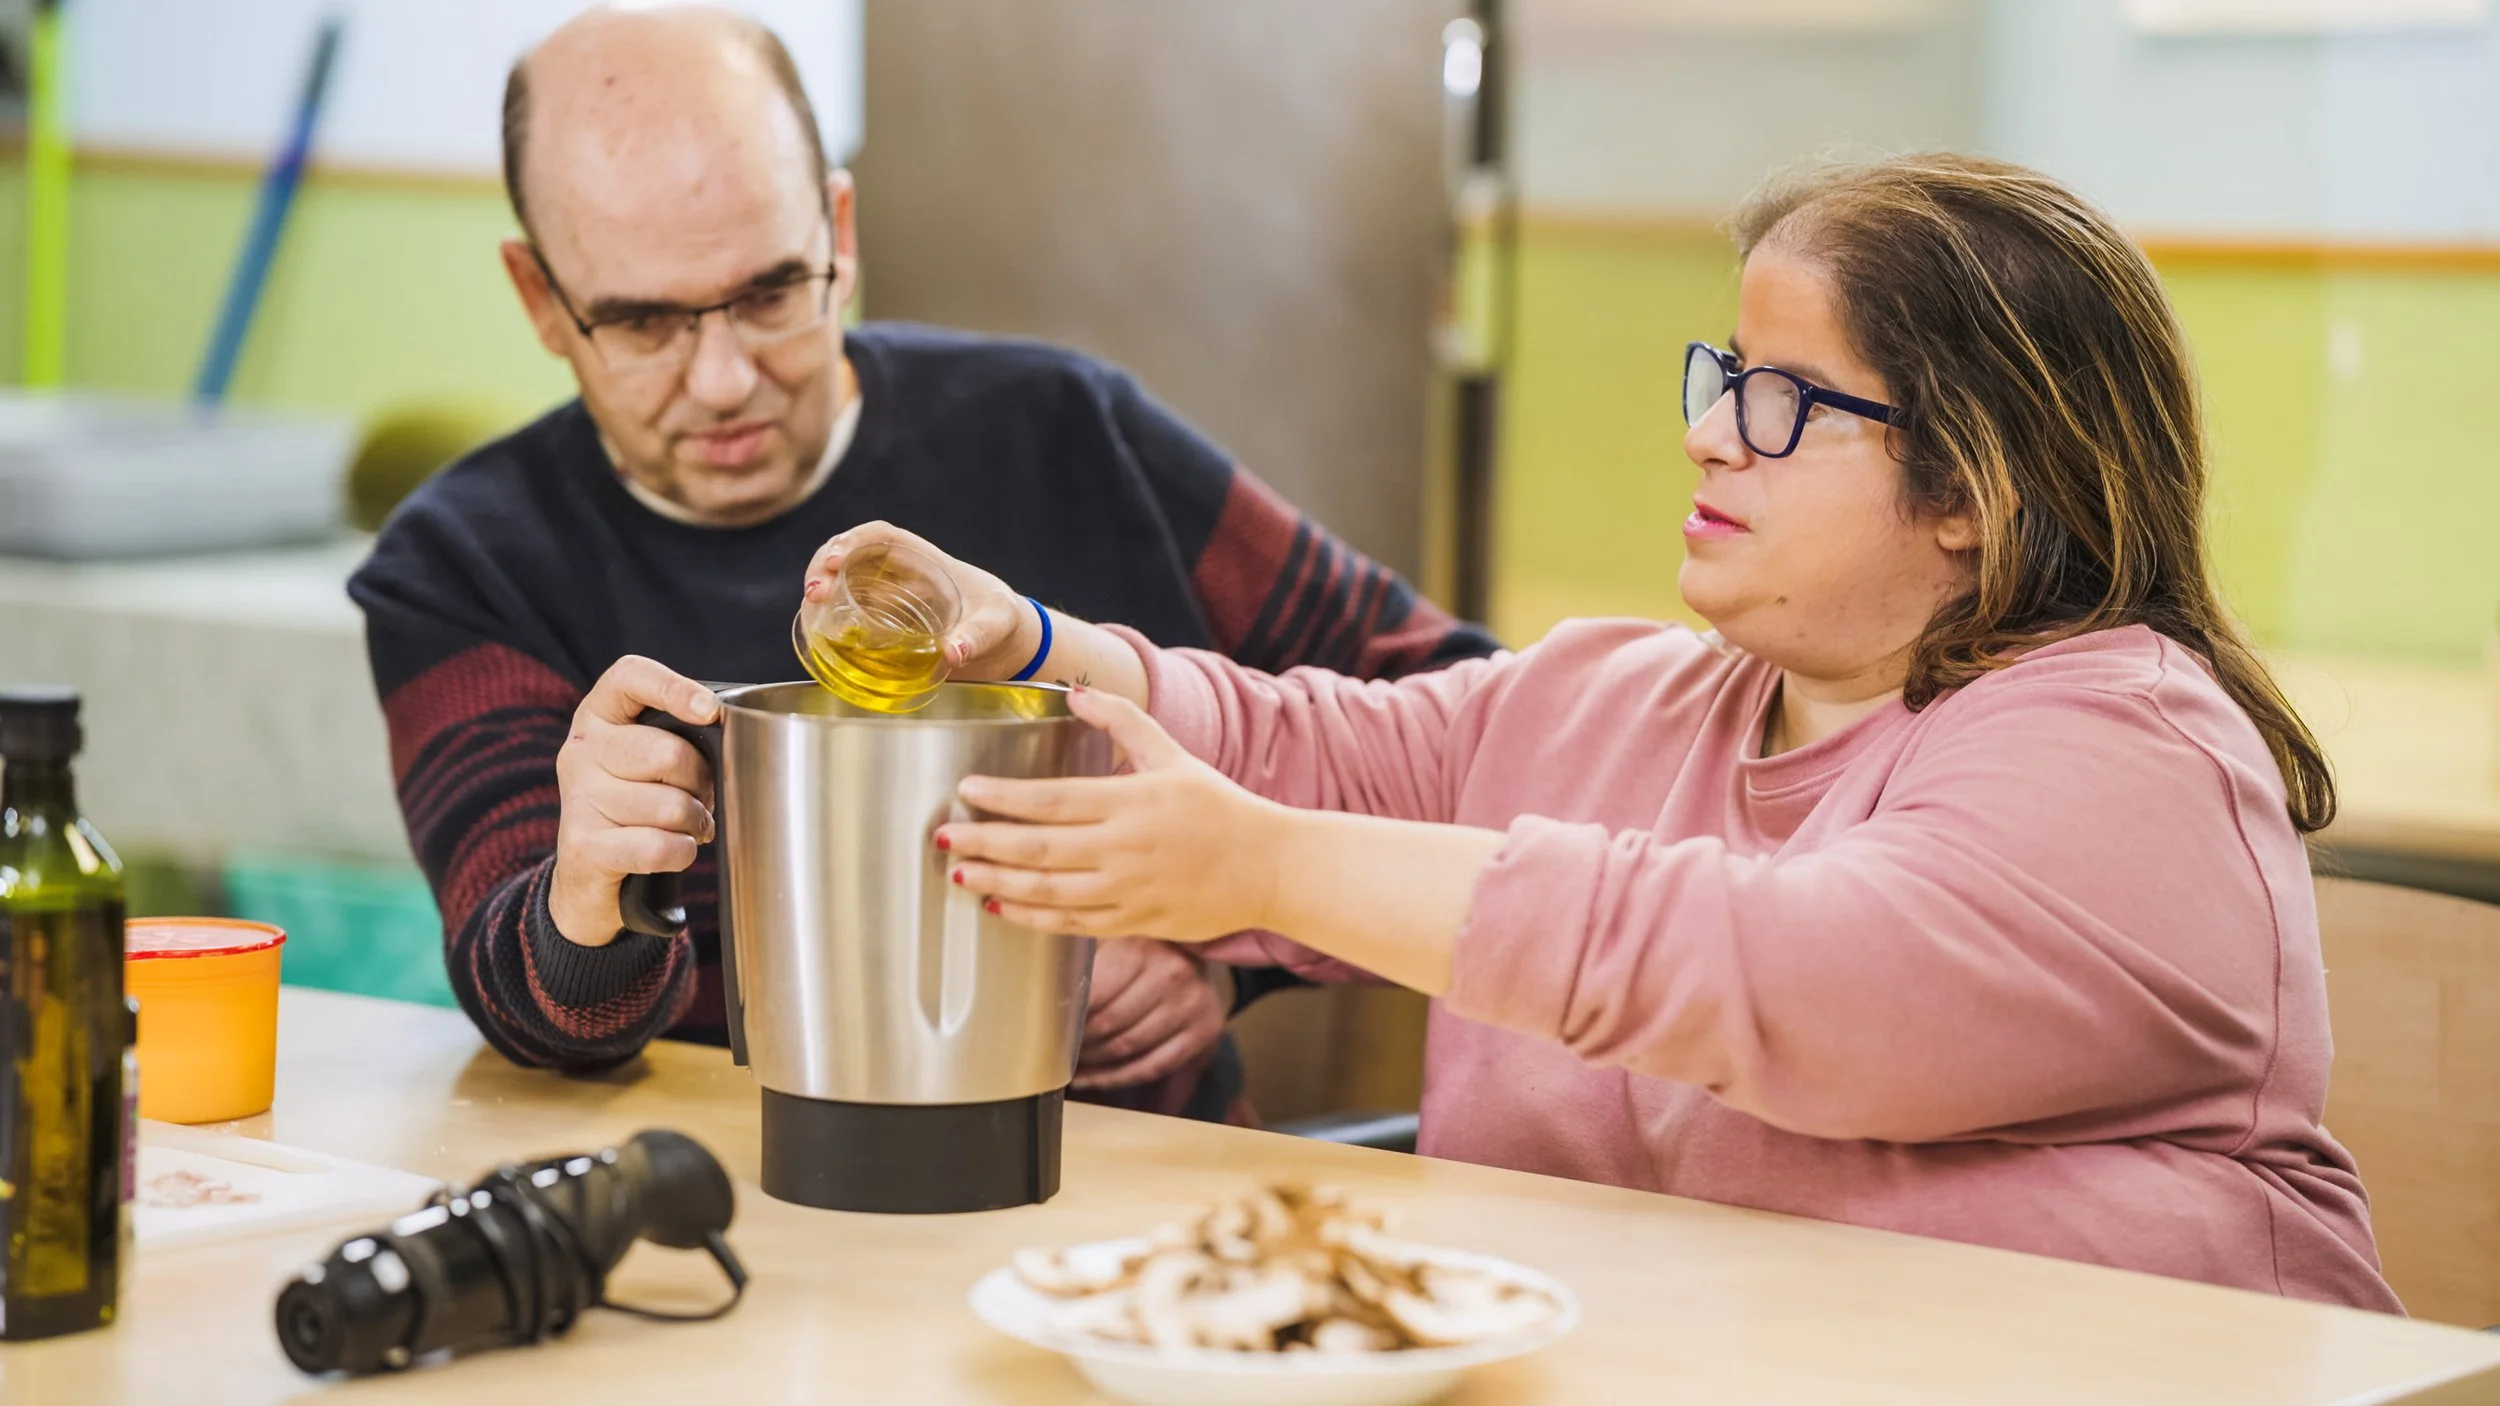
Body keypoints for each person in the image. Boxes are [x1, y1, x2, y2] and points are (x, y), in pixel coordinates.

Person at [818, 154, 2398, 1310]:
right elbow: (1317, 752)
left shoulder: (2131, 748)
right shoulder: (1616, 695)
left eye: (1783, 402)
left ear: (1974, 491)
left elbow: (1784, 974)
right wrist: (1024, 643)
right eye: (1724, 373)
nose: (1709, 430)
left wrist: (1268, 866)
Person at [345, 4, 1494, 1118]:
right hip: (729, 1198)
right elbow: (531, 1003)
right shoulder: (464, 565)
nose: (723, 380)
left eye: (770, 293)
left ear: (839, 233)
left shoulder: (1062, 429)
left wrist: (1226, 949)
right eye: (644, 324)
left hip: (1130, 1190)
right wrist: (578, 907)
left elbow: (1473, 740)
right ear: (540, 298)